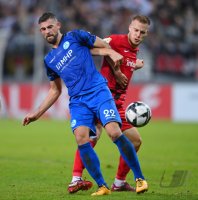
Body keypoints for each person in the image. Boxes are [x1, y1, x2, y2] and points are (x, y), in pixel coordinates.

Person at [22, 12, 148, 196]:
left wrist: (112, 54)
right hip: (78, 101)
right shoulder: (49, 60)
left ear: (58, 25)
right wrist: (37, 113)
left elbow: (103, 45)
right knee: (82, 138)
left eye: (50, 27)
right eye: (43, 29)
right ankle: (102, 186)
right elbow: (55, 90)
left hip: (98, 90)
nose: (47, 31)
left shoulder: (75, 36)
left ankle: (139, 178)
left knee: (114, 132)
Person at [68, 15, 150, 193]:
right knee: (91, 137)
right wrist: (116, 68)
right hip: (102, 97)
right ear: (129, 28)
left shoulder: (134, 49)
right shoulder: (115, 40)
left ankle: (119, 183)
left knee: (135, 141)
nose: (138, 35)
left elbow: (125, 59)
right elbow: (87, 48)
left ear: (146, 34)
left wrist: (134, 64)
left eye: (142, 32)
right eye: (135, 30)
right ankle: (76, 178)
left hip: (118, 104)